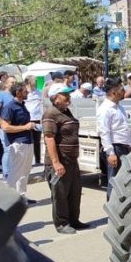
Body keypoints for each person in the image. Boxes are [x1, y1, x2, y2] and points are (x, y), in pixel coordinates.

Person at [43, 86, 89, 234]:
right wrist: (56, 163)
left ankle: (74, 220)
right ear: (55, 97)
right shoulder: (50, 113)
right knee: (60, 194)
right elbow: (49, 138)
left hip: (71, 160)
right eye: (65, 95)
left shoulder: (65, 111)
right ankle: (62, 224)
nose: (68, 97)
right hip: (60, 161)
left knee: (75, 192)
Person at [0, 83, 36, 204]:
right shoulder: (10, 107)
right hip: (18, 143)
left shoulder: (22, 105)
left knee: (25, 172)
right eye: (25, 91)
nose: (28, 93)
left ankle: (21, 196)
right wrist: (26, 127)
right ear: (18, 92)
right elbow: (5, 127)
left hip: (27, 141)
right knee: (16, 172)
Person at [97, 78, 131, 199]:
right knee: (114, 182)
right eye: (122, 90)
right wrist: (110, 153)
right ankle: (112, 213)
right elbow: (104, 132)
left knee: (123, 181)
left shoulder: (119, 107)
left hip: (124, 148)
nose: (124, 92)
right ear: (113, 92)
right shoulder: (105, 109)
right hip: (115, 148)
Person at [0, 75, 16, 178]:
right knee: (7, 150)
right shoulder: (0, 95)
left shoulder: (15, 96)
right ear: (5, 84)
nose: (14, 84)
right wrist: (1, 123)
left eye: (15, 82)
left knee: (14, 151)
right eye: (12, 82)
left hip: (15, 128)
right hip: (4, 128)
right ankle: (6, 174)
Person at [24, 76, 43, 165]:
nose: (35, 82)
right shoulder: (24, 93)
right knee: (28, 140)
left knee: (37, 140)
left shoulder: (39, 92)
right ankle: (28, 160)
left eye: (35, 81)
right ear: (28, 82)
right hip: (27, 119)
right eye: (33, 81)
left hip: (37, 119)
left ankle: (38, 159)